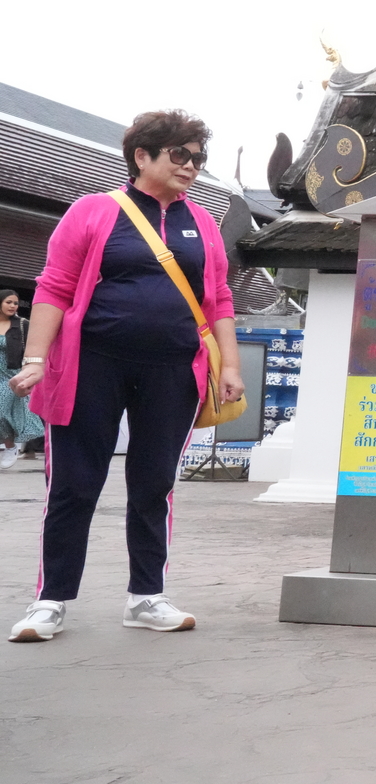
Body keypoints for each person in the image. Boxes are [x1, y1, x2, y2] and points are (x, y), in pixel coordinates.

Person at [7, 110, 245, 643]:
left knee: (155, 482)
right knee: (73, 483)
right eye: (179, 154)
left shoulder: (203, 223)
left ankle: (146, 596)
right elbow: (54, 286)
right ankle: (50, 601)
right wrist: (36, 359)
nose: (191, 166)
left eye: (198, 157)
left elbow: (218, 298)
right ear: (142, 155)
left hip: (174, 368)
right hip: (92, 364)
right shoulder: (93, 211)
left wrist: (230, 365)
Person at [1, 290, 47, 468]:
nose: (13, 306)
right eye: (9, 302)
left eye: (15, 303)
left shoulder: (22, 324)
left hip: (12, 374)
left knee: (2, 410)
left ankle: (10, 447)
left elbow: (35, 347)